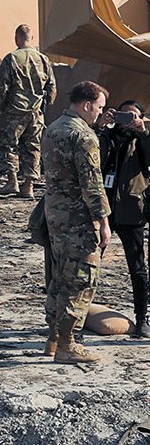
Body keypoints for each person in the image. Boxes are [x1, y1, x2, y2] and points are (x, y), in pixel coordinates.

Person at [41, 81, 111, 365]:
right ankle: (68, 345)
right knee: (81, 280)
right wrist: (103, 222)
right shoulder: (83, 137)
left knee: (59, 277)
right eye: (99, 107)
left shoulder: (53, 128)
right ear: (86, 105)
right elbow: (92, 184)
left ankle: (53, 338)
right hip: (78, 219)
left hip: (55, 215)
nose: (100, 112)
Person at [98, 99, 150, 338]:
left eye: (132, 117)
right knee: (88, 265)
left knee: (137, 268)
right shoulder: (105, 137)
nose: (126, 121)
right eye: (123, 115)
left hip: (131, 211)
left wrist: (143, 133)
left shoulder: (141, 140)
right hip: (101, 210)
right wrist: (101, 126)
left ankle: (143, 318)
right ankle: (73, 318)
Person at [0, 24, 56, 198]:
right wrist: (46, 104)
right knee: (33, 147)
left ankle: (12, 180)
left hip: (14, 110)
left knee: (8, 145)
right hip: (35, 111)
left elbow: (2, 86)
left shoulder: (11, 59)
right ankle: (28, 186)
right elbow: (52, 87)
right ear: (32, 39)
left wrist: (0, 105)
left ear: (16, 38)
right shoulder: (43, 59)